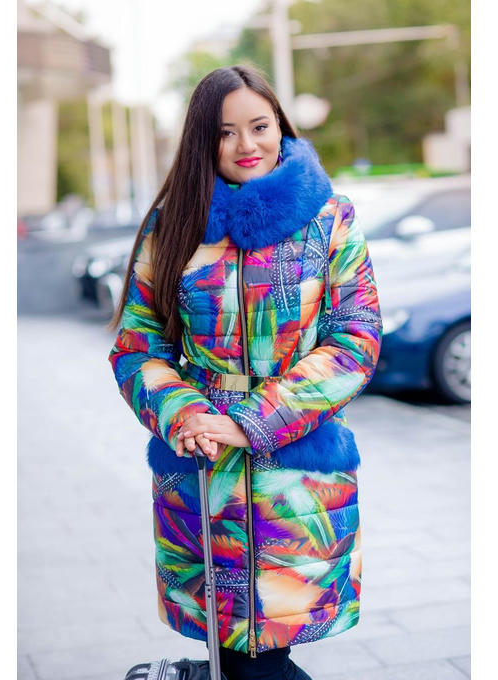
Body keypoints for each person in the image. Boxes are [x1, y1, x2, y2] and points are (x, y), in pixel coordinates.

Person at [108, 64, 382, 680]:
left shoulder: (328, 218)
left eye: (259, 126)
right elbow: (137, 346)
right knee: (233, 652)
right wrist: (183, 413)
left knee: (257, 661)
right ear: (202, 142)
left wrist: (251, 421)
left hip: (295, 477)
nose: (245, 144)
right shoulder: (172, 226)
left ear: (280, 126)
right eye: (225, 132)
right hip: (201, 473)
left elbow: (356, 339)